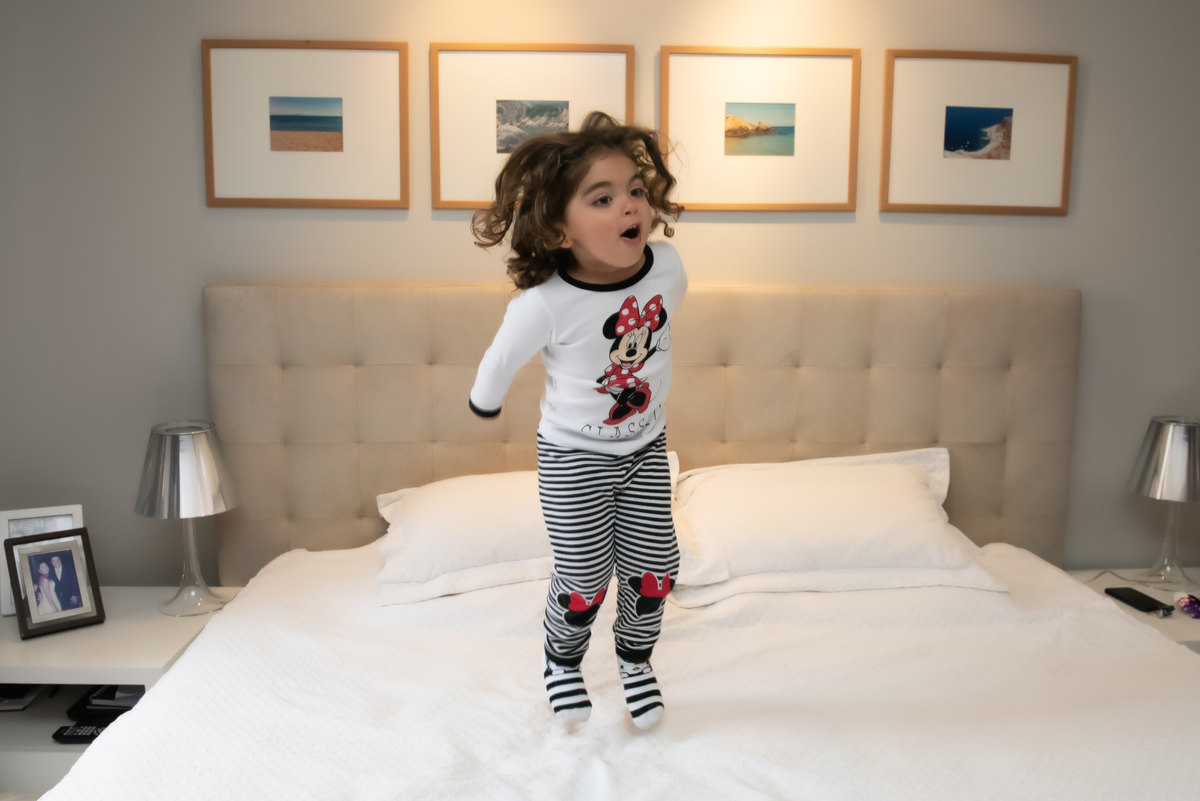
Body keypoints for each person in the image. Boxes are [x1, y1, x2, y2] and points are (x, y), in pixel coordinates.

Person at [469, 111, 686, 730]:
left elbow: (654, 334)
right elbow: (500, 359)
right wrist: (485, 400)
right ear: (559, 229)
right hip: (573, 458)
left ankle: (635, 659)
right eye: (603, 198)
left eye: (635, 191)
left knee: (656, 571)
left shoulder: (667, 270)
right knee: (586, 576)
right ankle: (562, 661)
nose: (630, 206)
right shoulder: (544, 304)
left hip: (645, 448)